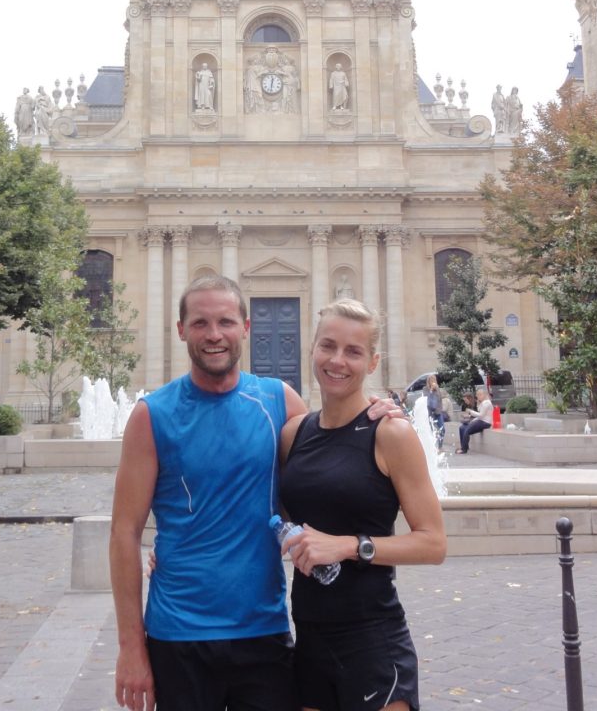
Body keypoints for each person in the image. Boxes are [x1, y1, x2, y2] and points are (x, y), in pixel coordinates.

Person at [109, 275, 403, 710]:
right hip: (178, 636)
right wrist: (131, 648)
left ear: (245, 328)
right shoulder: (152, 415)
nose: (214, 335)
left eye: (226, 322)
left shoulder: (278, 401)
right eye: (200, 323)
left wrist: (380, 411)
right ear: (181, 330)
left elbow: (329, 460)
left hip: (263, 633)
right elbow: (124, 532)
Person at [279, 300, 446, 711]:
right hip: (310, 640)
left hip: (373, 641)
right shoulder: (293, 434)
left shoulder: (391, 433)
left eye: (353, 352)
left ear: (372, 362)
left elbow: (433, 544)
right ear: (312, 349)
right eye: (328, 346)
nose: (338, 361)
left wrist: (351, 545)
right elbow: (270, 516)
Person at [455, 388, 493, 453]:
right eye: (477, 395)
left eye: (479, 395)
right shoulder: (483, 403)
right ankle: (463, 446)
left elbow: (481, 415)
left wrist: (470, 412)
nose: (477, 397)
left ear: (483, 395)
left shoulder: (487, 403)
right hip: (481, 421)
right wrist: (473, 420)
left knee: (467, 430)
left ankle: (464, 450)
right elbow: (480, 416)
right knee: (462, 428)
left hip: (485, 422)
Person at [425, 373, 445, 450]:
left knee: (442, 429)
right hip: (430, 413)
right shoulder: (425, 389)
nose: (433, 381)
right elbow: (427, 400)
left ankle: (440, 446)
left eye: (434, 380)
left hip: (438, 412)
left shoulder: (437, 388)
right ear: (428, 381)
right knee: (432, 430)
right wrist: (431, 390)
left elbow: (440, 400)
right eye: (431, 380)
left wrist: (436, 390)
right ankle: (432, 447)